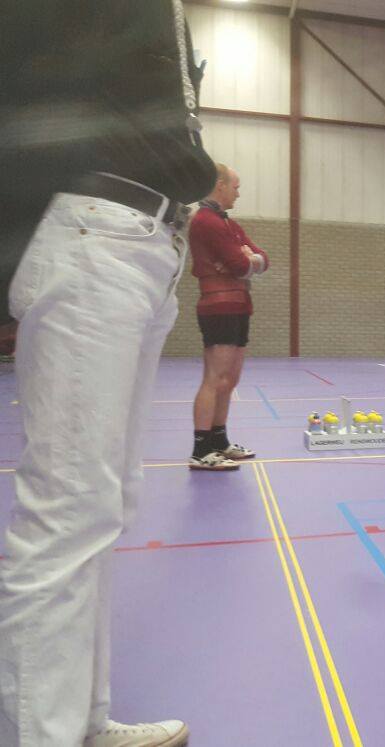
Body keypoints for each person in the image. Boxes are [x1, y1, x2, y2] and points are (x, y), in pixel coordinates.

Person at [0, 2, 212, 744]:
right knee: (68, 509)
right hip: (95, 229)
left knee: (105, 502)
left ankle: (83, 721)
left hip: (149, 242)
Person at [187, 164, 268, 471]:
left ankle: (219, 441)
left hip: (239, 305)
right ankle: (201, 450)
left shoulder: (228, 223)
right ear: (219, 185)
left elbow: (262, 258)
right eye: (236, 187)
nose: (238, 193)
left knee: (230, 379)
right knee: (215, 378)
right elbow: (239, 264)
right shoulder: (206, 221)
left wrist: (252, 259)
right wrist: (246, 260)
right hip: (218, 307)